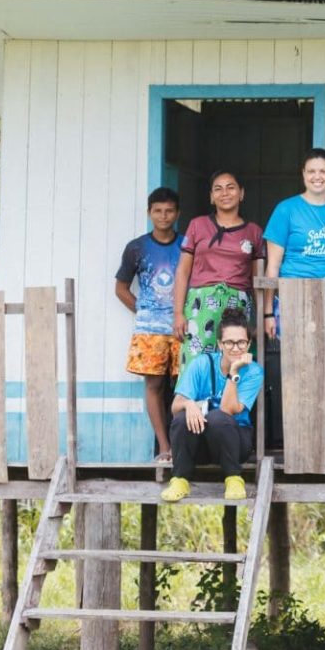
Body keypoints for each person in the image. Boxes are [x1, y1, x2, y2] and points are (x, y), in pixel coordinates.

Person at [263, 149, 325, 412]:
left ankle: (317, 430)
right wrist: (268, 312)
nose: (318, 176)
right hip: (297, 294)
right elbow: (273, 265)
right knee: (304, 373)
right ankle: (304, 434)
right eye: (312, 171)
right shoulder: (286, 209)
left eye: (323, 171)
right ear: (303, 174)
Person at [160, 308, 260, 504]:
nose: (235, 348)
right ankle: (180, 479)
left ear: (249, 344)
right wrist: (189, 404)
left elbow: (228, 410)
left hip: (235, 444)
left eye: (241, 342)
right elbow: (175, 406)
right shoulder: (201, 364)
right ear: (220, 344)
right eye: (229, 342)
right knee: (181, 418)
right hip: (202, 444)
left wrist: (234, 372)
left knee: (217, 417)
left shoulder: (254, 371)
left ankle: (233, 478)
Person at [115, 186, 182, 462]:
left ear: (177, 214)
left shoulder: (187, 245)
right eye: (158, 211)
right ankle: (164, 448)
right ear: (149, 213)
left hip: (182, 328)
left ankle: (182, 447)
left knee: (184, 387)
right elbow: (120, 288)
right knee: (154, 386)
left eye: (169, 211)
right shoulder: (136, 247)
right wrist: (143, 311)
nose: (163, 216)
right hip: (149, 331)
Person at [174, 170, 264, 365]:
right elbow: (182, 271)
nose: (225, 193)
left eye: (231, 188)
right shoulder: (197, 225)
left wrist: (261, 318)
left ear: (241, 193)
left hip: (238, 305)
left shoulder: (254, 232)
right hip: (200, 304)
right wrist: (178, 313)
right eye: (218, 189)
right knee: (196, 362)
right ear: (211, 197)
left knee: (234, 362)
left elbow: (257, 280)